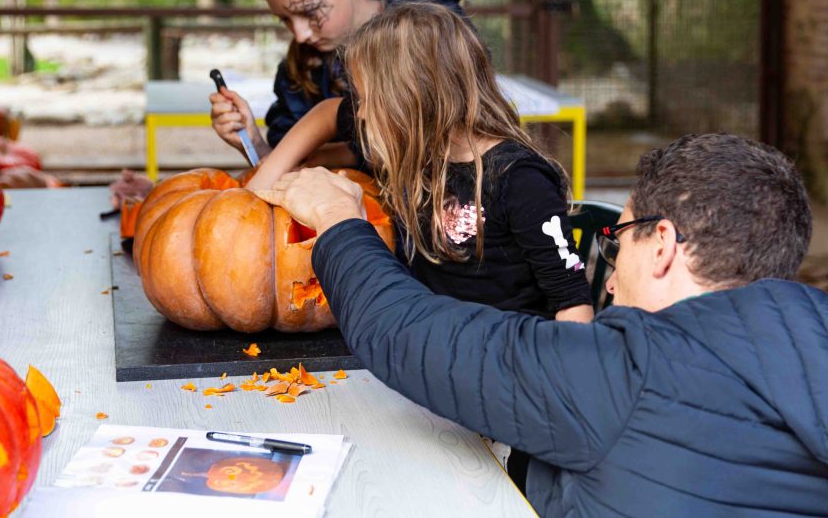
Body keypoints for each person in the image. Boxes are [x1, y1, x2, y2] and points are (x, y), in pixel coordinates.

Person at [255, 133, 826, 516]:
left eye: (618, 243)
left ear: (662, 246)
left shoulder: (627, 372)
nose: (608, 281)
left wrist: (337, 217)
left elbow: (406, 333)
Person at [254, 3, 594, 323]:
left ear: (410, 103)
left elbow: (573, 307)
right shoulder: (416, 150)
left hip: (501, 352)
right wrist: (257, 190)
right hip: (427, 341)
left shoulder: (521, 181)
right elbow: (328, 114)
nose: (361, 113)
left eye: (367, 99)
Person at [209, 0, 465, 167]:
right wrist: (252, 142)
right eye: (285, 19)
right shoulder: (297, 69)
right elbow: (287, 170)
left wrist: (337, 154)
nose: (300, 35)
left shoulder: (434, 34)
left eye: (310, 13)